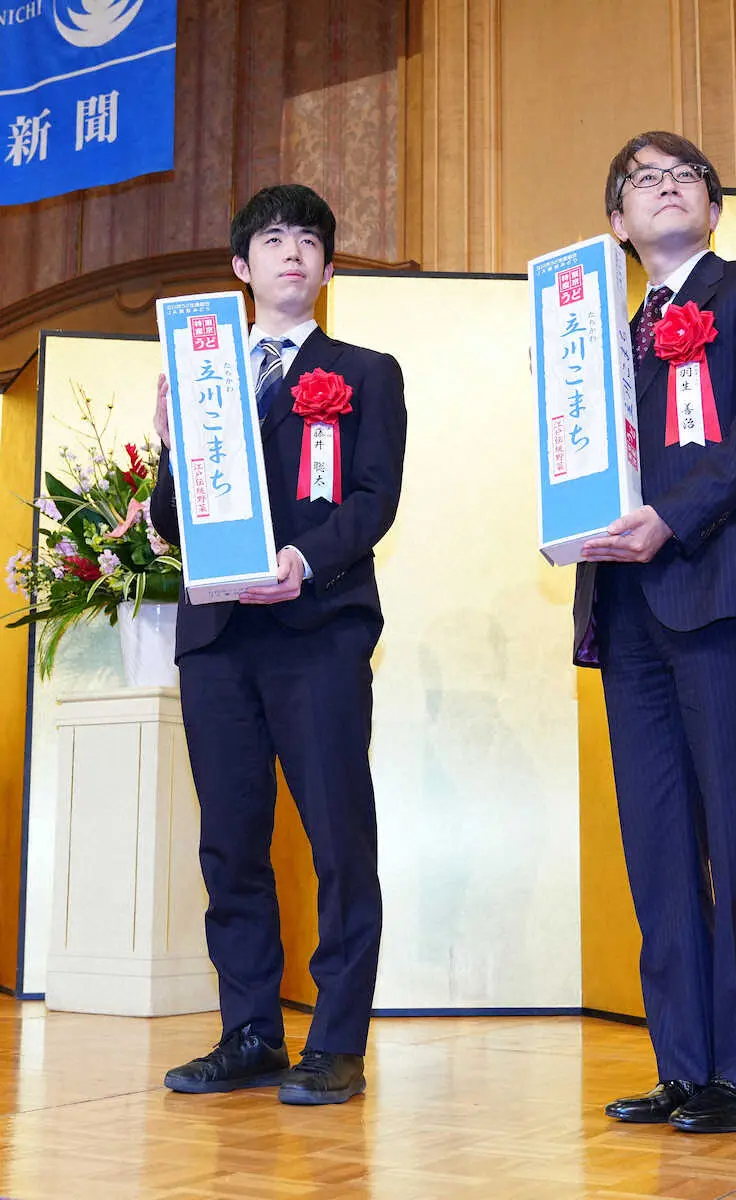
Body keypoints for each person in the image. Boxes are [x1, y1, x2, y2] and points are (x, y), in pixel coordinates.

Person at [575, 132, 736, 1133]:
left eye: (685, 176)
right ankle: (686, 1063)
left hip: (726, 591)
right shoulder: (595, 341)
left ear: (712, 208)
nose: (666, 186)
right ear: (618, 223)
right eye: (643, 179)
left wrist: (672, 517)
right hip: (626, 609)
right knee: (658, 841)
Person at [151, 184, 406, 1106]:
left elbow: (374, 500)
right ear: (240, 266)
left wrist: (303, 560)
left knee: (339, 837)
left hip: (318, 631)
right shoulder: (203, 376)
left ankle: (336, 1041)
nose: (291, 252)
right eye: (272, 239)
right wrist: (172, 444)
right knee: (230, 844)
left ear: (328, 268)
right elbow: (175, 521)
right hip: (218, 637)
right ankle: (251, 1032)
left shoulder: (367, 370)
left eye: (308, 240)